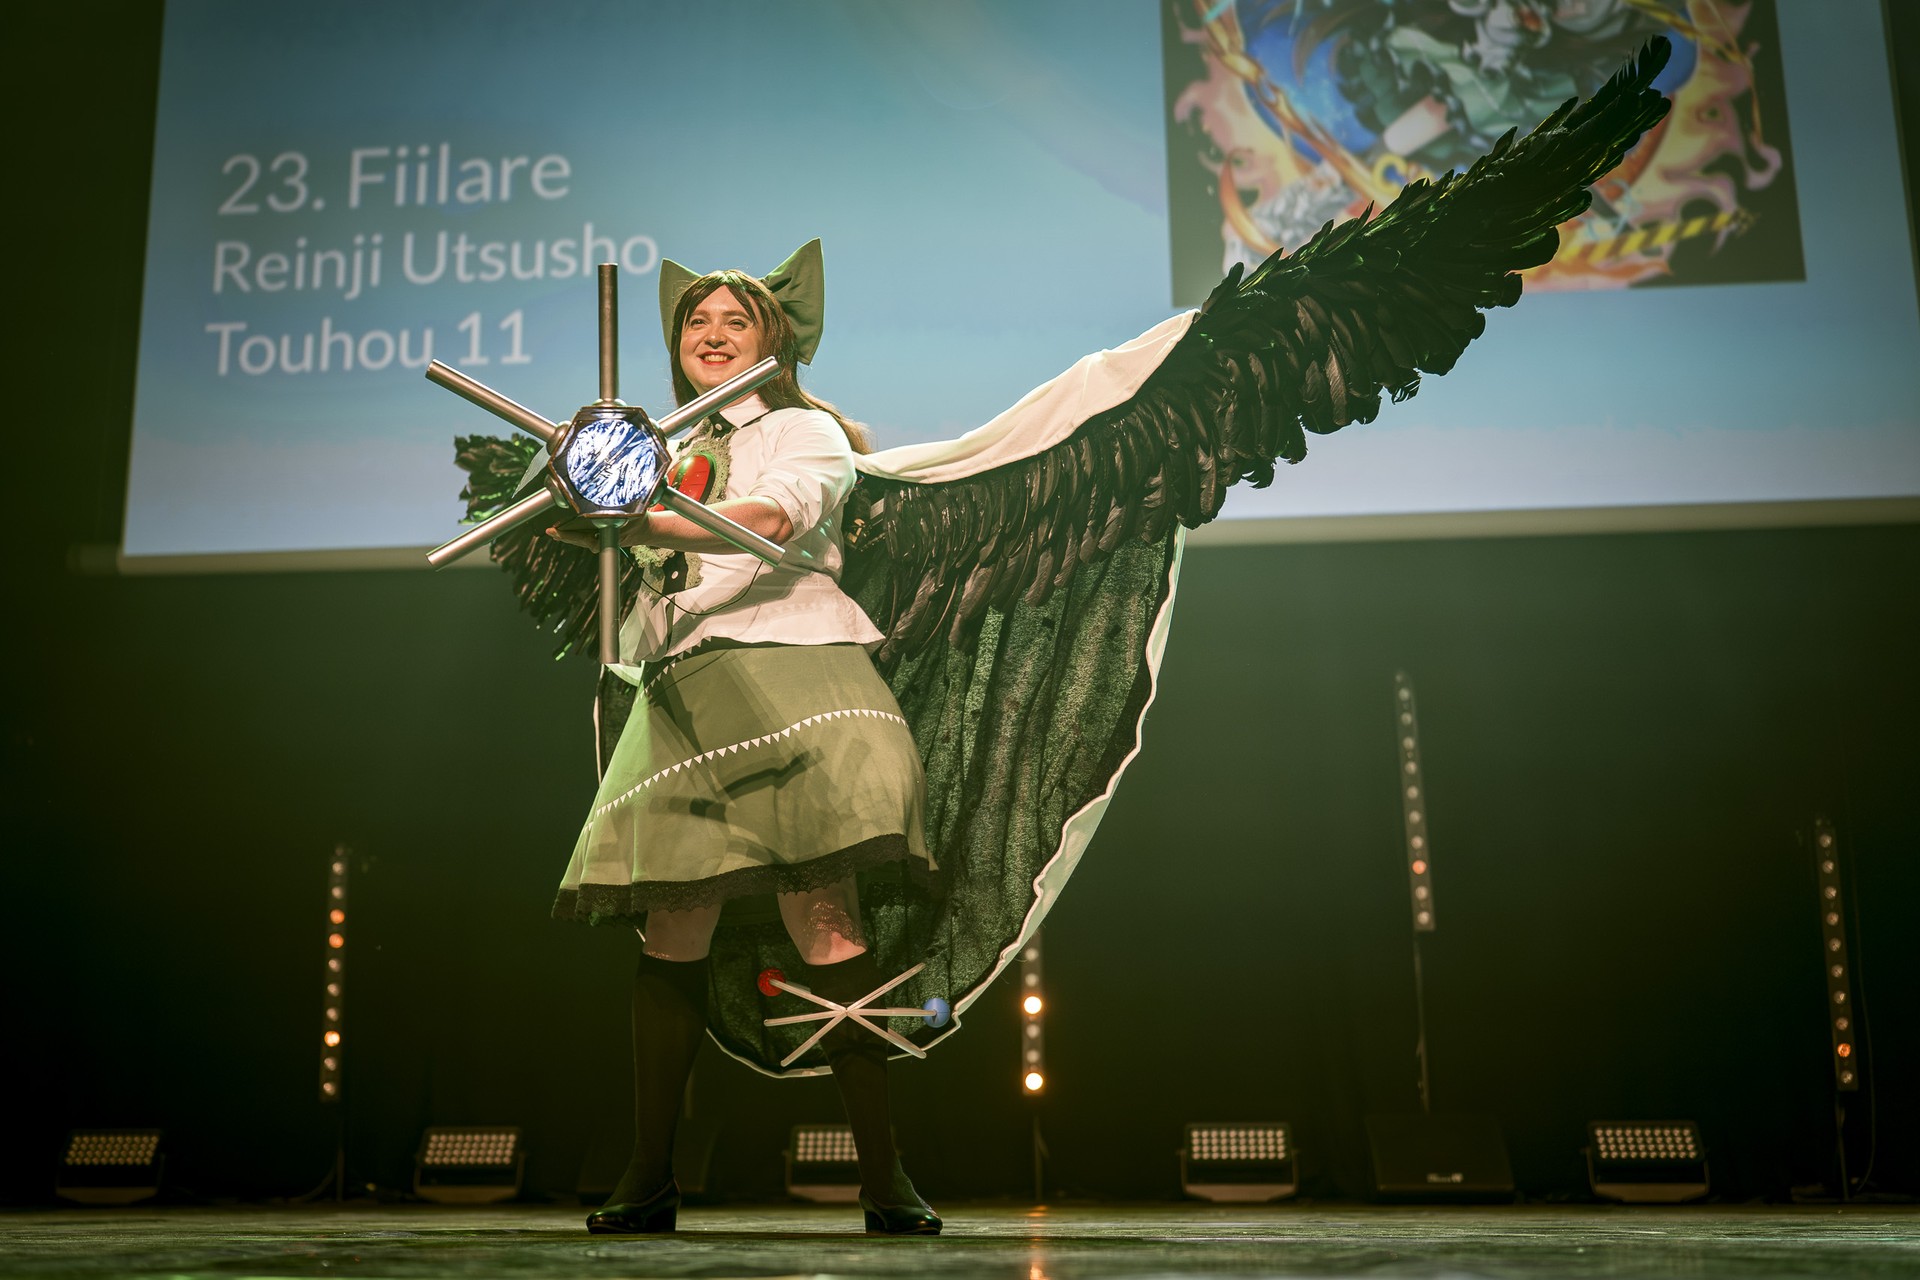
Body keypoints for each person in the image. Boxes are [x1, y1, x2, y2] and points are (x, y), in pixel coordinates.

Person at [544, 244, 941, 1237]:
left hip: (792, 671)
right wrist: (585, 503)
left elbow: (767, 518)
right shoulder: (655, 447)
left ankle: (884, 1175)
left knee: (827, 922)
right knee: (672, 927)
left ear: (778, 342)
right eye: (696, 320)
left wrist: (643, 518)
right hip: (682, 685)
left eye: (736, 320)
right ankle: (648, 1175)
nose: (712, 335)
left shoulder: (807, 430)